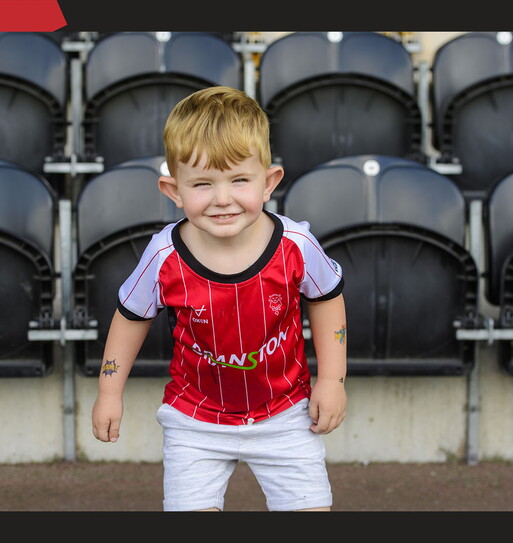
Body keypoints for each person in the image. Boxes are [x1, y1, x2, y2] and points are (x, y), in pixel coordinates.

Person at [91, 85, 347, 512]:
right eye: (203, 184)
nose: (223, 199)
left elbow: (327, 299)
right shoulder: (163, 255)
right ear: (174, 191)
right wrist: (109, 391)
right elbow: (130, 318)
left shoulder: (297, 244)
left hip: (284, 414)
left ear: (269, 182)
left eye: (239, 180)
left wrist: (333, 380)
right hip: (194, 419)